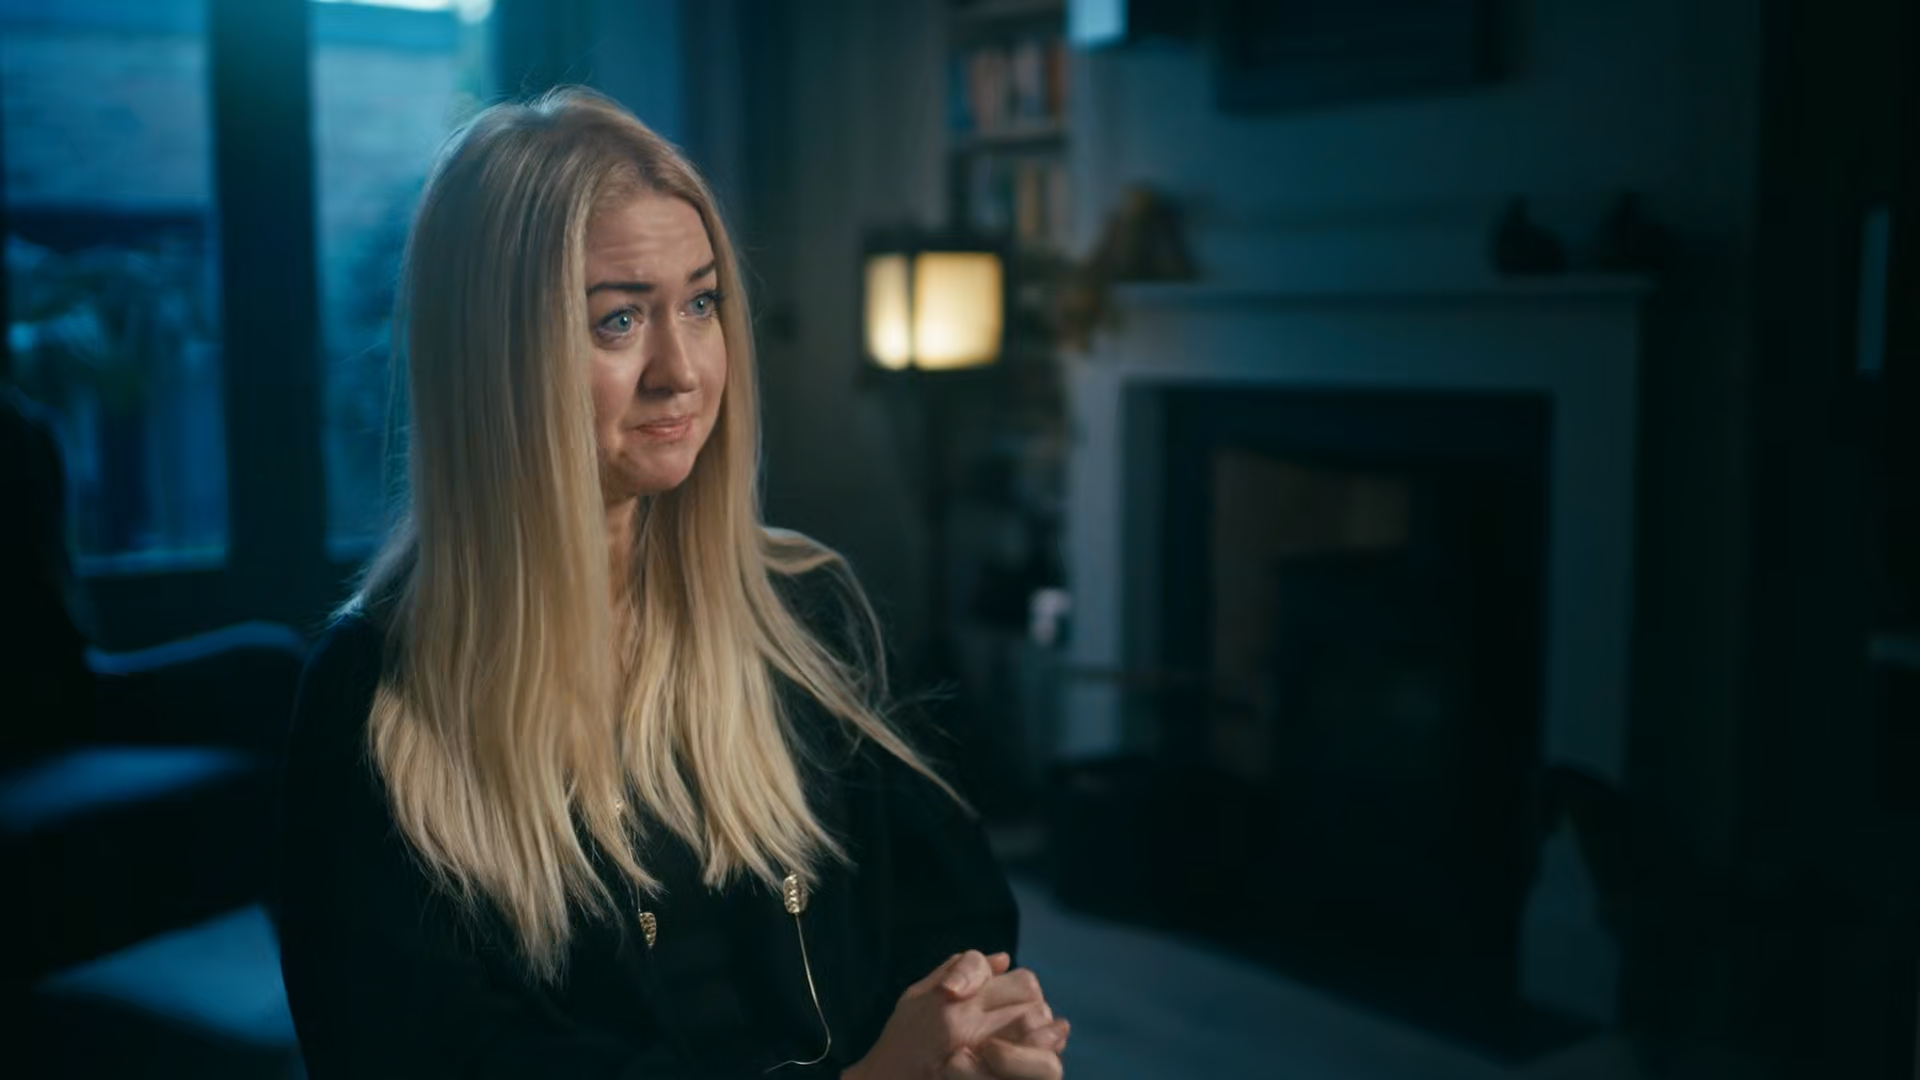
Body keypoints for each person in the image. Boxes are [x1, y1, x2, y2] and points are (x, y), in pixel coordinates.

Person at [274, 87, 1068, 1079]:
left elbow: (956, 908)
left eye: (700, 304)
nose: (682, 370)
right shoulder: (372, 698)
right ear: (495, 357)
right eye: (618, 321)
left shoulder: (805, 609)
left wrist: (966, 1028)